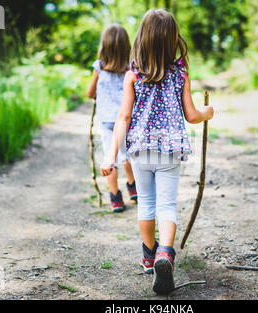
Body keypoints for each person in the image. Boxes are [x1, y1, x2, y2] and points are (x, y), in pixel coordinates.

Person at [100, 9, 214, 294]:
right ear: (172, 40)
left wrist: (111, 155)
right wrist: (206, 112)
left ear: (142, 39)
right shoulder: (180, 74)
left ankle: (149, 256)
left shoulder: (133, 75)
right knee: (167, 205)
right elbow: (191, 115)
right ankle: (166, 253)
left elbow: (122, 119)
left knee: (146, 203)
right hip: (168, 150)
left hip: (139, 150)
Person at [86, 24, 137, 213]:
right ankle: (133, 187)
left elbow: (90, 93)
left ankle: (115, 197)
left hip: (107, 120)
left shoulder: (99, 67)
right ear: (127, 46)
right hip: (125, 118)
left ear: (104, 46)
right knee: (127, 154)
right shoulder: (131, 67)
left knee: (110, 157)